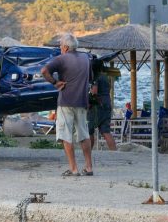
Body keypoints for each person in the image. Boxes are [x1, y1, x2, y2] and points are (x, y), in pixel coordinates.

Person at [41, 33, 94, 176]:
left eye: (60, 46)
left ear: (65, 47)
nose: (59, 48)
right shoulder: (85, 58)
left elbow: (44, 71)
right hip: (82, 101)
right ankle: (89, 167)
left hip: (66, 102)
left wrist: (55, 82)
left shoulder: (61, 59)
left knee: (66, 135)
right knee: (84, 134)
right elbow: (90, 78)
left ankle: (74, 169)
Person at [88, 60, 117, 151]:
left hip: (98, 105)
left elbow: (94, 92)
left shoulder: (96, 77)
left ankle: (89, 151)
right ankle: (114, 152)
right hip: (107, 103)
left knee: (89, 130)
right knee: (106, 131)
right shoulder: (106, 77)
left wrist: (89, 102)